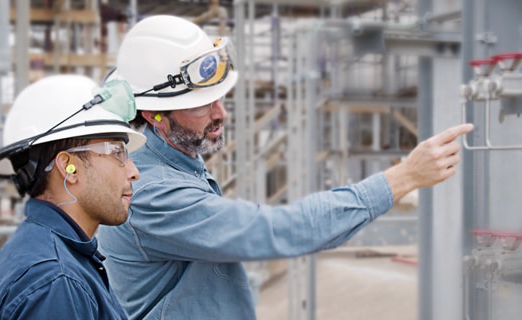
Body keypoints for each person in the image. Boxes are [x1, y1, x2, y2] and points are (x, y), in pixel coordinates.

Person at [98, 15, 474, 320]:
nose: (221, 113)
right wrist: (403, 176)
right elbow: (279, 230)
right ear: (153, 115)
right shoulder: (152, 191)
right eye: (202, 105)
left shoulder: (179, 164)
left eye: (220, 98)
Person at [0, 74, 145, 319]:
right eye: (117, 153)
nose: (134, 172)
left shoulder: (44, 254)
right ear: (68, 167)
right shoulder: (56, 282)